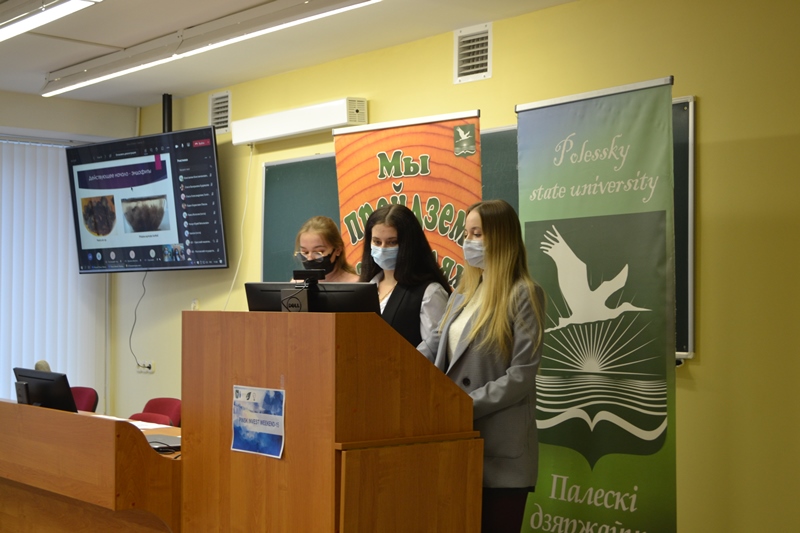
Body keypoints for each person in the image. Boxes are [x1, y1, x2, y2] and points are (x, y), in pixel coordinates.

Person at [417, 199, 545, 533]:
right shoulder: (462, 293)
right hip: (456, 440)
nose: (469, 241)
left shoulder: (524, 293)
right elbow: (432, 347)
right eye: (467, 233)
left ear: (501, 238)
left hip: (498, 447)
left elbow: (522, 374)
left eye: (478, 234)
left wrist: (462, 405)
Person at [359, 204, 451, 346]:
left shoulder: (429, 292)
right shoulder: (365, 287)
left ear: (409, 244)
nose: (382, 249)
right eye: (377, 242)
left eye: (392, 242)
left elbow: (435, 350)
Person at [294, 216, 359, 282]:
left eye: (319, 252)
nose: (309, 259)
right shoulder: (297, 283)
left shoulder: (354, 283)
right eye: (305, 252)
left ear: (338, 250)